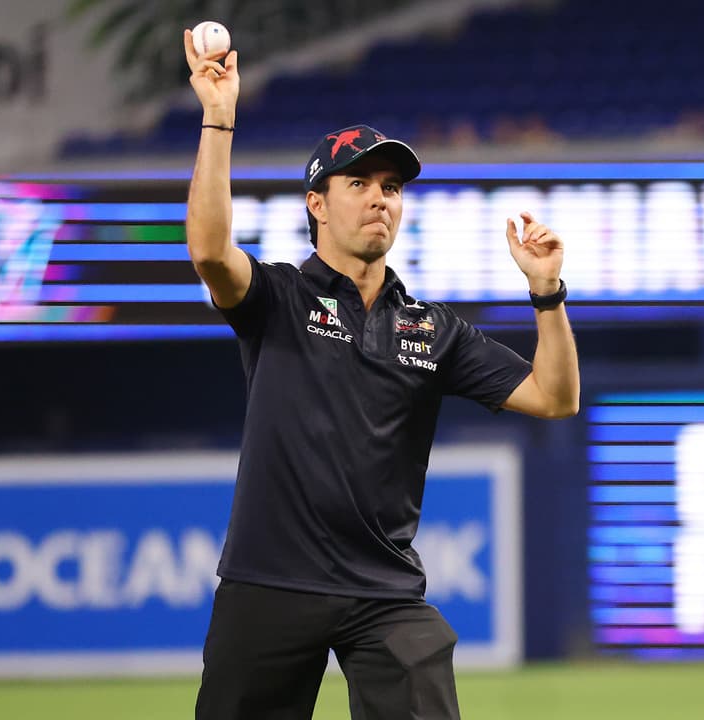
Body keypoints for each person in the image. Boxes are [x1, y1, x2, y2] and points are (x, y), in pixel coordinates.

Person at [182, 31, 579, 719]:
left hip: (383, 592)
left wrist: (547, 292)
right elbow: (211, 252)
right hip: (270, 585)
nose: (379, 199)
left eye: (391, 187)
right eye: (358, 183)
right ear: (317, 204)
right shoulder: (279, 298)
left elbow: (555, 397)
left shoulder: (431, 327)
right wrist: (219, 117)